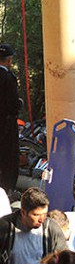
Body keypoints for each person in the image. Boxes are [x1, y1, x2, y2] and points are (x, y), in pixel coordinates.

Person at [0, 43, 22, 192]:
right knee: (9, 159)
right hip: (6, 126)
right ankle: (7, 192)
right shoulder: (8, 78)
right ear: (8, 60)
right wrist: (19, 103)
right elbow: (13, 105)